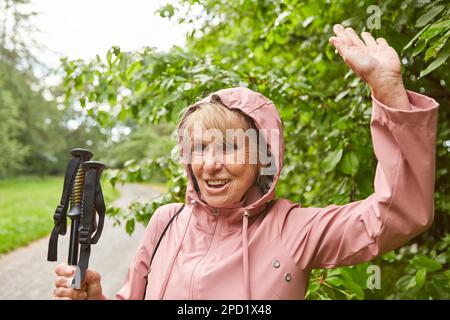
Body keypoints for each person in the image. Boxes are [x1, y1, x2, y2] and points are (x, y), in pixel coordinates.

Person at [53, 24, 439, 300]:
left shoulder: (294, 230)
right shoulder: (166, 221)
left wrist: (388, 92)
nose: (211, 164)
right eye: (201, 148)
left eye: (230, 148)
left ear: (262, 158)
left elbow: (397, 214)